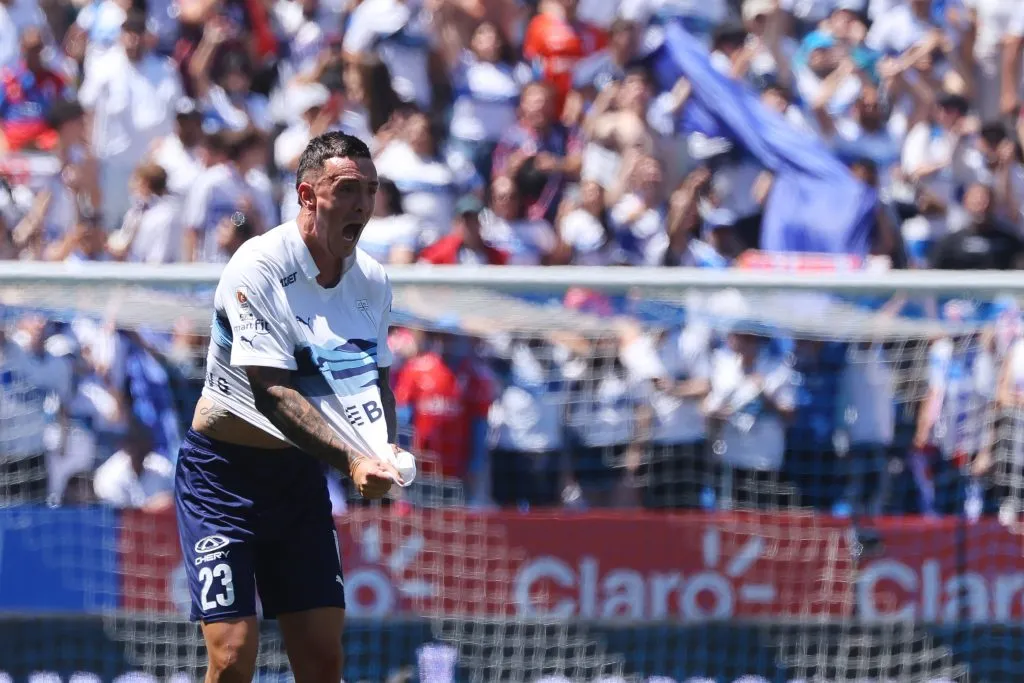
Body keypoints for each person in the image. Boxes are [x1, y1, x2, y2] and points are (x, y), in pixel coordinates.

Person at [173, 131, 410, 683]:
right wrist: (352, 461)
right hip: (222, 479)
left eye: (370, 191)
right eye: (347, 189)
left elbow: (377, 386)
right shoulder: (256, 266)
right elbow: (272, 392)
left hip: (297, 479)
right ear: (307, 196)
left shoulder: (371, 282)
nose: (362, 204)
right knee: (232, 658)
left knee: (323, 658)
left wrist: (383, 452)